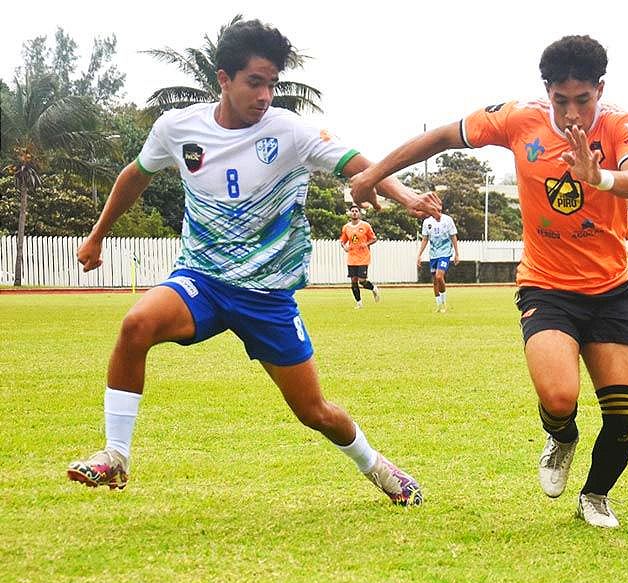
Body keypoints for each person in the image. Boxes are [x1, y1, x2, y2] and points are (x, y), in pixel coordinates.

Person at [67, 19, 441, 506]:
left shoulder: (288, 130)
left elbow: (355, 163)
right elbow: (135, 175)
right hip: (202, 278)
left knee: (314, 411)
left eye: (272, 84)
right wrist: (97, 236)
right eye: (254, 82)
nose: (265, 95)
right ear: (223, 78)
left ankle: (379, 468)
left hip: (267, 296)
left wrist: (404, 192)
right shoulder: (177, 129)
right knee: (137, 324)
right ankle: (116, 455)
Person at [351, 35, 628, 528]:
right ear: (547, 91)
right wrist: (374, 175)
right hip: (548, 286)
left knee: (623, 418)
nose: (573, 113)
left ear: (600, 89)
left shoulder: (622, 123)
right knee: (559, 398)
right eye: (562, 101)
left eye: (584, 100)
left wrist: (596, 176)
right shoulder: (519, 118)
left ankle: (595, 496)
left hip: (612, 290)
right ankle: (561, 436)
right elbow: (441, 137)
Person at [417, 211, 459, 312]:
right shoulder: (427, 222)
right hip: (433, 254)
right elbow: (425, 239)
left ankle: (444, 304)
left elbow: (453, 236)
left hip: (445, 253)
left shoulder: (448, 220)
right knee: (435, 280)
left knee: (439, 276)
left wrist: (457, 253)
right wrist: (419, 255)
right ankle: (439, 306)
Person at [340, 205, 380, 308]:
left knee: (362, 281)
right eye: (352, 211)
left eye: (356, 211)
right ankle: (359, 303)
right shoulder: (346, 227)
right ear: (349, 213)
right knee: (353, 281)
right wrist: (344, 247)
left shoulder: (365, 226)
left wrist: (366, 244)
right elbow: (343, 241)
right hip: (352, 258)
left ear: (359, 213)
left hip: (363, 257)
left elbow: (374, 238)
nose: (354, 213)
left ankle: (373, 288)